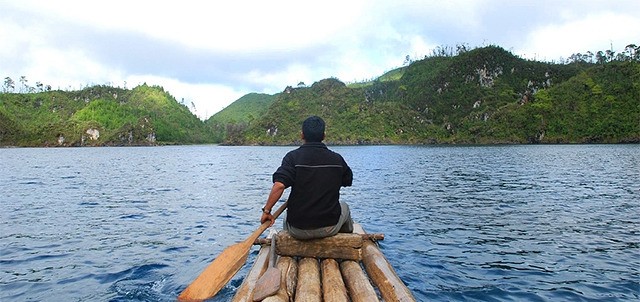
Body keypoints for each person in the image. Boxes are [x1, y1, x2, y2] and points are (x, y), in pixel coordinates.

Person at [260, 116, 354, 240]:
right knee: (344, 206)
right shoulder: (337, 159)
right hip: (328, 228)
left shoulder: (292, 157)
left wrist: (267, 211)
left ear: (302, 135)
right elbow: (348, 181)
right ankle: (346, 237)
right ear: (324, 136)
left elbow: (279, 185)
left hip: (297, 230)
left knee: (287, 214)